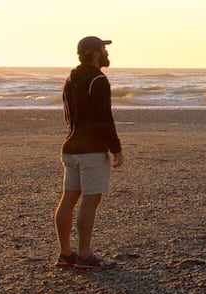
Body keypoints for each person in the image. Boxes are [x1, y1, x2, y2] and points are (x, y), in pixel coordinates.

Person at [55, 36, 123, 270]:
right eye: (104, 49)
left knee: (69, 199)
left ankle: (66, 254)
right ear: (95, 53)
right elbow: (104, 118)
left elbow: (68, 115)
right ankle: (85, 255)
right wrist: (116, 147)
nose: (107, 53)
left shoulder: (70, 79)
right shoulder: (98, 80)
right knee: (90, 200)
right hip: (91, 149)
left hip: (70, 147)